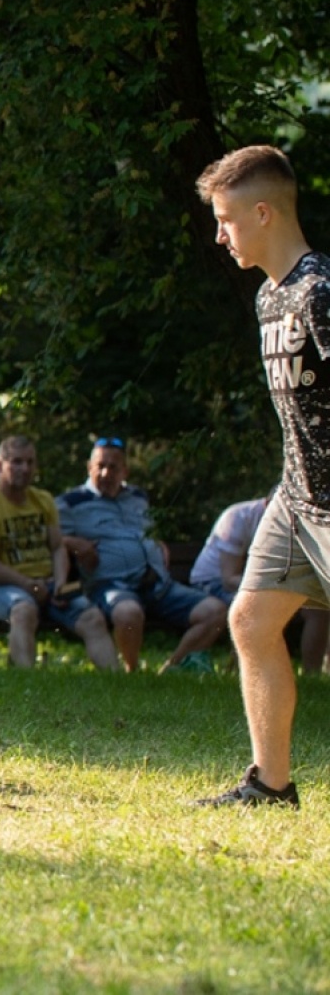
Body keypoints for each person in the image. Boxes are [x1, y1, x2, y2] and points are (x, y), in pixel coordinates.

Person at [194, 145, 330, 807]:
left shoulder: (320, 294)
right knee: (249, 620)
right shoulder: (268, 300)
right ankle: (270, 785)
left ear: (264, 212)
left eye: (226, 219)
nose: (219, 234)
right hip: (296, 500)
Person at [55, 438, 227, 673]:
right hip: (112, 586)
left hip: (158, 583)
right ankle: (132, 670)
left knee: (216, 611)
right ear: (89, 467)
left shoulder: (138, 496)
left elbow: (146, 530)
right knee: (129, 613)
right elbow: (50, 540)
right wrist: (72, 542)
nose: (106, 473)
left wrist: (156, 545)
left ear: (124, 470)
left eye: (113, 467)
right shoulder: (69, 503)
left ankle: (171, 669)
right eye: (100, 466)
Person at [0, 435, 118, 670]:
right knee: (23, 610)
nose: (24, 469)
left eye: (30, 462)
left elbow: (57, 547)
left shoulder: (43, 500)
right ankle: (26, 683)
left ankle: (117, 682)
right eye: (16, 462)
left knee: (93, 617)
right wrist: (26, 584)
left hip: (47, 585)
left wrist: (59, 583)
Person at [188, 490, 329, 673]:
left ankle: (313, 674)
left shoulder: (298, 524)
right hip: (212, 582)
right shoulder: (238, 518)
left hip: (267, 586)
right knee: (255, 607)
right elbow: (229, 578)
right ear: (271, 504)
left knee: (318, 610)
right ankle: (246, 674)